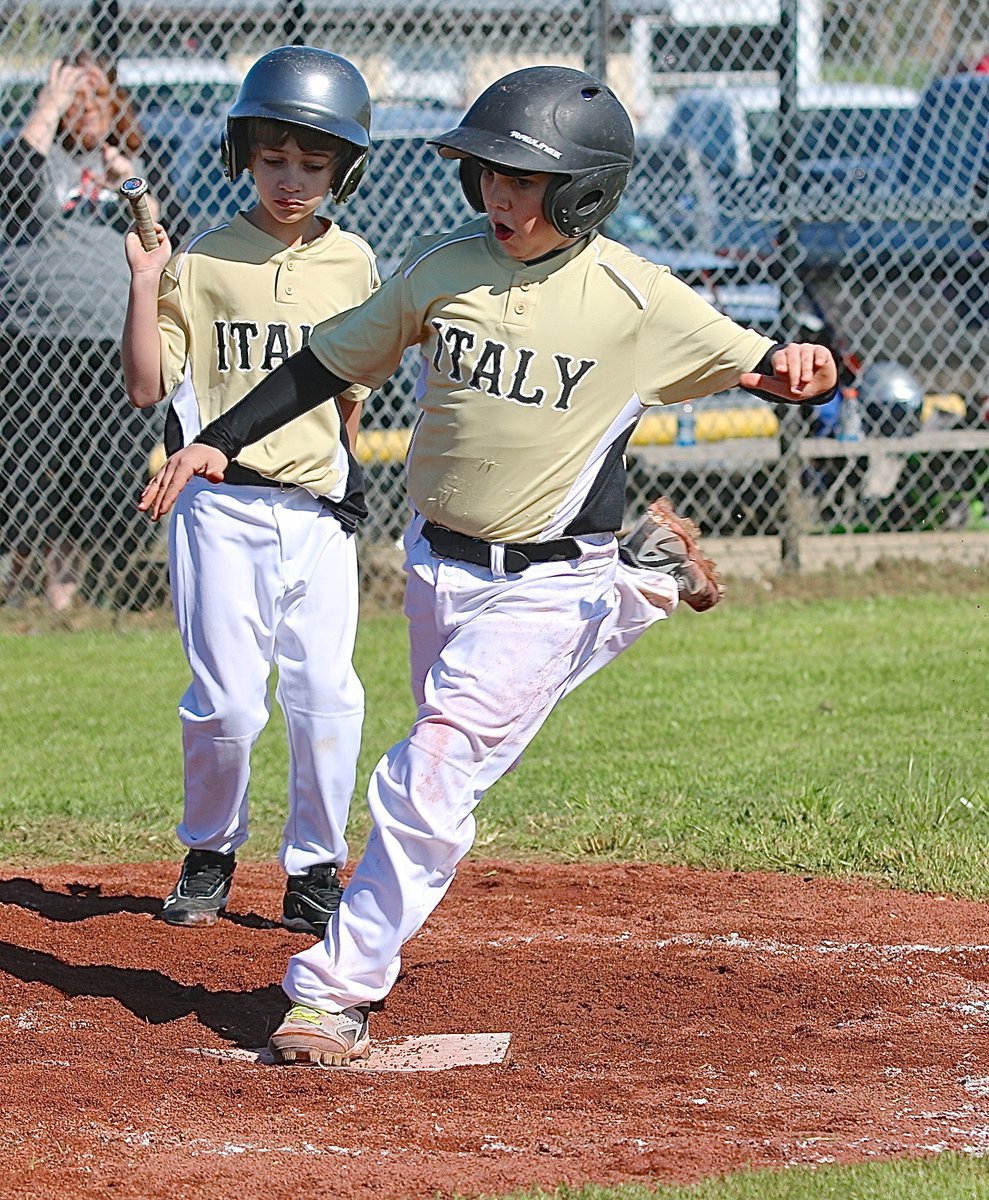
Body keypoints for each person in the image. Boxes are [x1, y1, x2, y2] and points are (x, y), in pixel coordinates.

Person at [139, 65, 838, 1064]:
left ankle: (335, 989)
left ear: (584, 192)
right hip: (437, 565)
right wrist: (220, 438)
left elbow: (765, 363)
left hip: (547, 575)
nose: (499, 198)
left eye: (524, 181)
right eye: (488, 177)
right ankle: (643, 577)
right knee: (460, 749)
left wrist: (801, 370)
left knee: (431, 775)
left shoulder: (635, 298)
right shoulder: (443, 268)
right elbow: (327, 360)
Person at [122, 46, 379, 936]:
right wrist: (147, 282)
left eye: (313, 163)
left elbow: (348, 400)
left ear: (342, 168)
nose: (292, 180)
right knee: (228, 700)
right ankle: (209, 847)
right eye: (274, 159)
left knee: (327, 697)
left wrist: (353, 492)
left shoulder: (355, 266)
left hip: (316, 512)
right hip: (220, 509)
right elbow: (149, 388)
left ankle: (314, 865)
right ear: (243, 156)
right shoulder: (205, 260)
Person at [0, 49, 165, 609]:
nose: (86, 110)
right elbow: (11, 194)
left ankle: (63, 599)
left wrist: (135, 187)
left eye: (97, 97)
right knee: (26, 463)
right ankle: (15, 586)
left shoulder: (136, 163)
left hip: (111, 337)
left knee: (96, 466)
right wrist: (48, 106)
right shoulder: (34, 157)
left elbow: (172, 238)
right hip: (32, 336)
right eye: (75, 99)